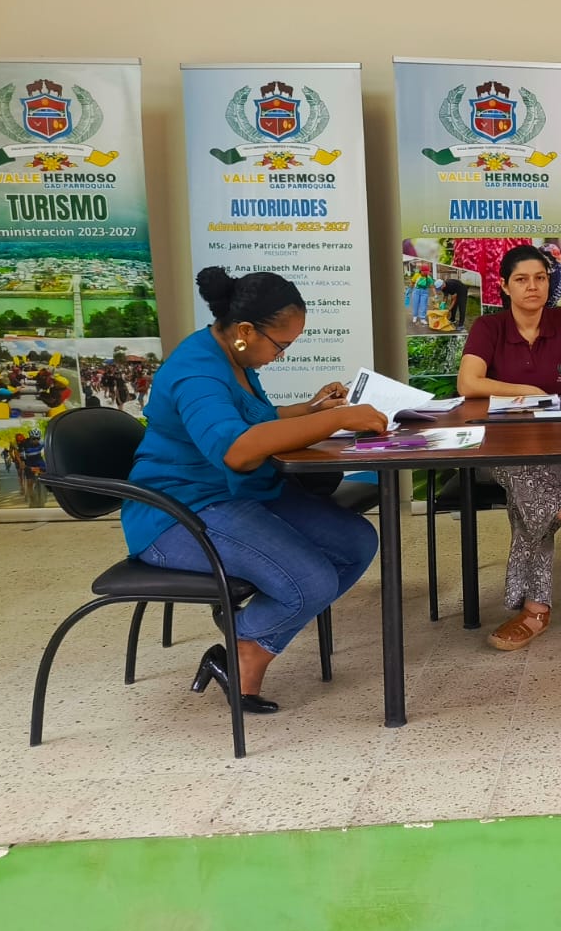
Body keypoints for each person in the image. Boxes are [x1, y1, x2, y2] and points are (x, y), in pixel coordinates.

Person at [121, 268, 387, 714]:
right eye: (281, 345)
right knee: (311, 581)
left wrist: (311, 409)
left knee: (355, 542)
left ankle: (248, 638)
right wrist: (337, 419)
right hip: (179, 512)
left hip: (236, 494)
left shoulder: (235, 357)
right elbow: (236, 450)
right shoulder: (196, 372)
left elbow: (253, 420)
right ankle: (246, 648)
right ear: (246, 331)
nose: (281, 356)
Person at [457, 245, 561, 650]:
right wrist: (522, 390)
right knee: (525, 476)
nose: (533, 286)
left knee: (530, 496)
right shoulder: (489, 327)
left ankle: (534, 610)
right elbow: (468, 382)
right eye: (522, 279)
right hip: (498, 444)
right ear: (505, 286)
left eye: (540, 278)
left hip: (555, 439)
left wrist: (548, 408)